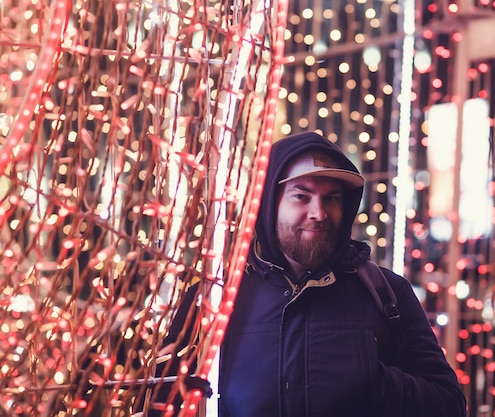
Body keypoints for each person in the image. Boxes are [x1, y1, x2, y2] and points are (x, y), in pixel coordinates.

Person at [148, 131, 467, 417]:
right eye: (301, 196)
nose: (319, 213)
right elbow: (159, 399)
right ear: (269, 204)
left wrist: (375, 380)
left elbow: (449, 403)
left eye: (332, 198)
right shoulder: (215, 298)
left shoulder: (386, 292)